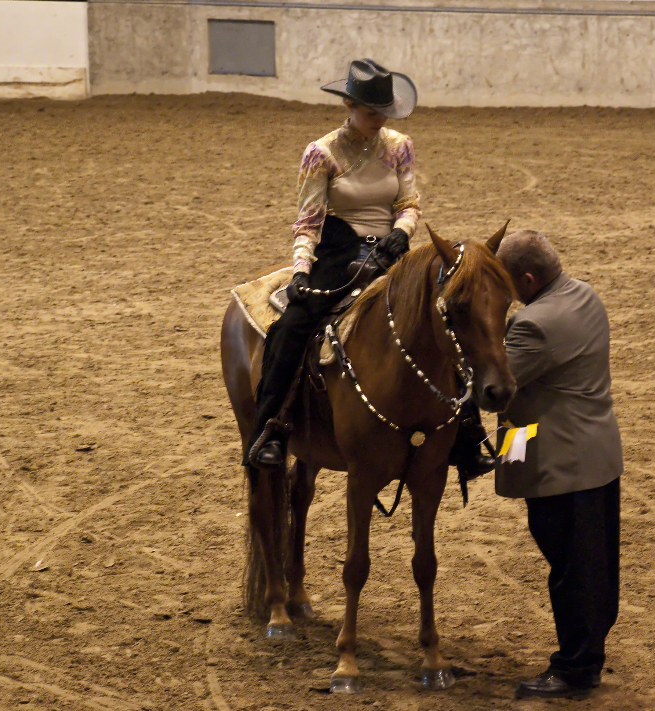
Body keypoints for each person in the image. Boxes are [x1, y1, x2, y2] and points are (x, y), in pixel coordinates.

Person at [249, 58, 495, 480]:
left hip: (392, 251)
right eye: (370, 112)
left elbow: (408, 202)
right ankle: (271, 429)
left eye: (384, 111)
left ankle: (467, 430)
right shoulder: (320, 154)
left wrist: (402, 231)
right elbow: (309, 222)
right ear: (348, 104)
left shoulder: (399, 145)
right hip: (338, 253)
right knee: (292, 326)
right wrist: (302, 272)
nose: (379, 119)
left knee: (446, 315)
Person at [493, 230, 624, 700]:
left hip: (560, 464)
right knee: (594, 566)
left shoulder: (534, 325)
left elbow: (494, 388)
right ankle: (588, 654)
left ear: (528, 280)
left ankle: (574, 670)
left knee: (572, 571)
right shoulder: (585, 293)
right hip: (598, 454)